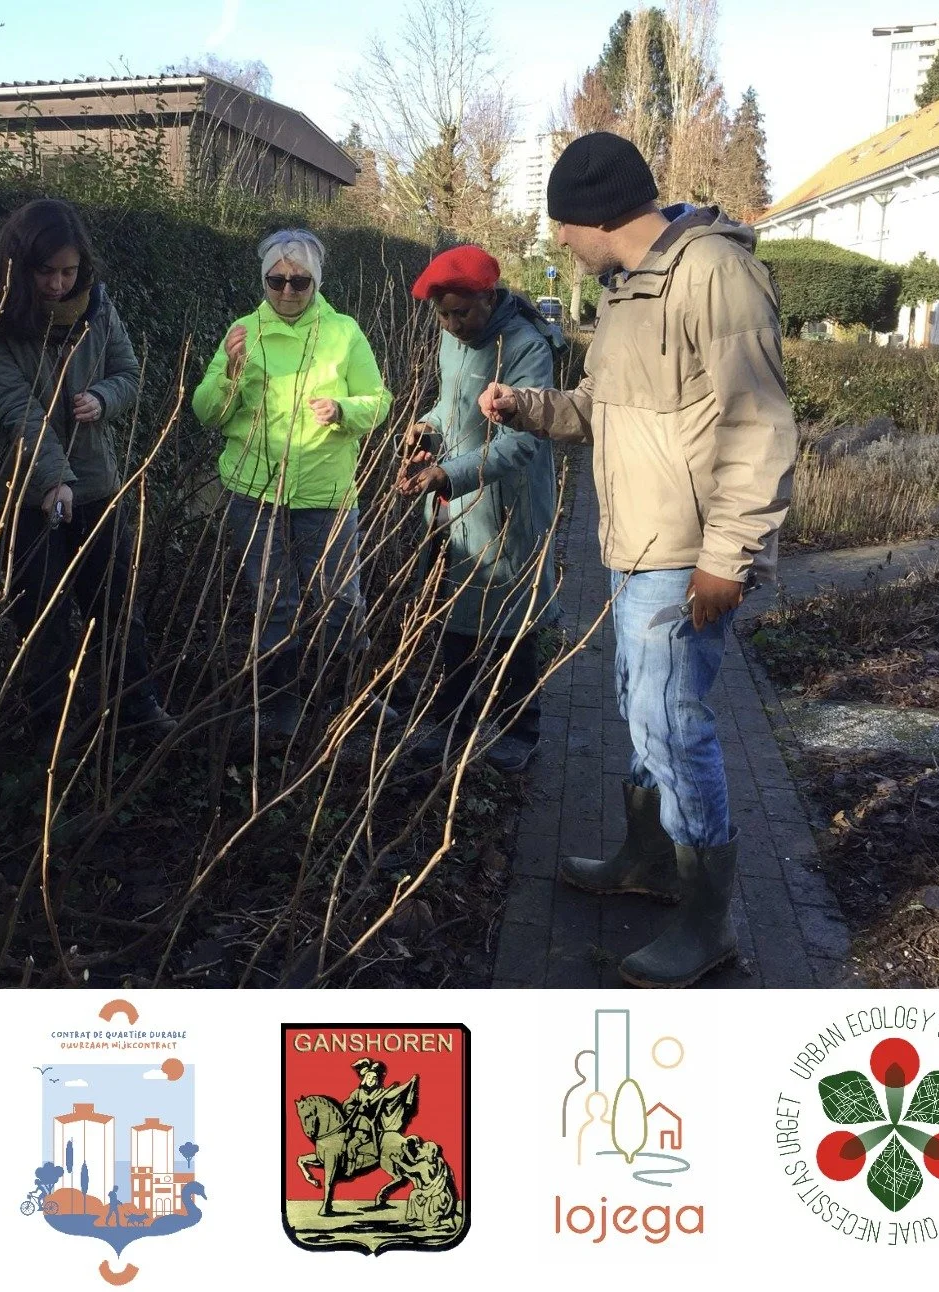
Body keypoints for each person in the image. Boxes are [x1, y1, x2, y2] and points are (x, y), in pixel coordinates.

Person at [480, 132, 797, 988]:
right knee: (639, 706)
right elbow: (601, 409)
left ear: (595, 215)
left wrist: (728, 558)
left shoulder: (712, 277)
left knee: (673, 726)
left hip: (686, 555)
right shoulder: (625, 291)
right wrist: (527, 407)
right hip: (632, 550)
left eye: (560, 227)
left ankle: (709, 922)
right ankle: (648, 859)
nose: (557, 245)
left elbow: (759, 425)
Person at [0, 198, 172, 743]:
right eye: (45, 271)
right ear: (17, 265)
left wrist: (104, 397)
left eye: (68, 271)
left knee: (115, 603)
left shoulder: (98, 307)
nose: (57, 284)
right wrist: (53, 477)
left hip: (95, 481)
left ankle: (135, 708)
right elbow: (14, 407)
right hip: (16, 488)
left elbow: (128, 372)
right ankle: (49, 732)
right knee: (42, 616)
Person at [192, 229, 393, 742]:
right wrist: (229, 374)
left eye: (299, 281)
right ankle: (279, 706)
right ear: (263, 280)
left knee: (340, 596)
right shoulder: (243, 331)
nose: (286, 291)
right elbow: (207, 414)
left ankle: (351, 698)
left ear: (316, 281)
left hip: (324, 492)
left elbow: (378, 401)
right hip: (255, 492)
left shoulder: (344, 333)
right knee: (274, 601)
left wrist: (344, 410)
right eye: (276, 280)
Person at [397, 245, 561, 775]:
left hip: (508, 506)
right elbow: (451, 407)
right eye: (442, 314)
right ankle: (450, 724)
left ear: (489, 297)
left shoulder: (527, 347)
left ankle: (522, 728)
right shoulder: (452, 339)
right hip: (456, 506)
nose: (451, 324)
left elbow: (524, 443)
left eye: (461, 312)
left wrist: (448, 474)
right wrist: (425, 425)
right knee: (454, 615)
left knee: (514, 622)